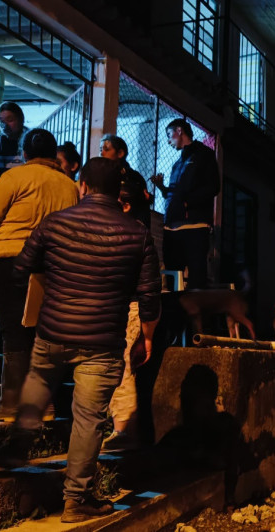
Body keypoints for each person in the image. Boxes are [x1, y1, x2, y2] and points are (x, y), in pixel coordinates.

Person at [12, 157, 161, 523]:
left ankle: (15, 477)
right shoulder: (137, 232)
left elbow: (21, 267)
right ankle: (74, 501)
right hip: (102, 343)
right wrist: (145, 338)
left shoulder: (55, 223)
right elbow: (150, 296)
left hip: (51, 333)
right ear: (117, 193)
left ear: (82, 187)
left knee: (34, 398)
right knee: (88, 420)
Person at [0, 128, 79, 421]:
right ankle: (44, 405)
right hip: (52, 263)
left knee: (13, 330)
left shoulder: (14, 177)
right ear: (53, 154)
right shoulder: (69, 186)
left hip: (11, 259)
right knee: (42, 332)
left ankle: (10, 403)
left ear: (24, 153)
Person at [101, 171, 153, 452]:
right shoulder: (138, 231)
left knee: (123, 369)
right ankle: (121, 429)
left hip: (127, 307)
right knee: (118, 368)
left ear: (125, 204)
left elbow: (148, 285)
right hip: (121, 306)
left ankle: (123, 430)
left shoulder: (131, 233)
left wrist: (148, 332)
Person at [149, 119, 219, 290]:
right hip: (172, 227)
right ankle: (174, 307)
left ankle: (195, 307)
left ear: (179, 131)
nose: (168, 140)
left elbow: (213, 187)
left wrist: (187, 203)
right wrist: (162, 188)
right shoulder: (178, 164)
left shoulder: (204, 155)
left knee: (196, 277)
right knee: (171, 277)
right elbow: (176, 194)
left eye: (169, 134)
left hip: (194, 226)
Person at [99, 133, 150, 227]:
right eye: (100, 150)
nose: (101, 153)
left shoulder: (133, 178)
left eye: (106, 149)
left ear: (120, 153)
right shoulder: (100, 174)